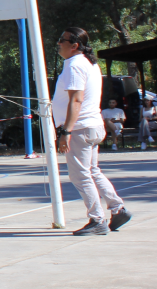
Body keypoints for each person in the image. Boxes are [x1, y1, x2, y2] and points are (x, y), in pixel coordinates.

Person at [53, 27, 130, 236]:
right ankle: (118, 209)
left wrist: (66, 131)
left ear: (74, 45)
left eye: (62, 40)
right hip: (92, 126)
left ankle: (97, 220)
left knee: (80, 176)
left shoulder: (75, 64)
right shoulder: (89, 63)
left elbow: (76, 100)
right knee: (92, 171)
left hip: (80, 128)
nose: (59, 43)